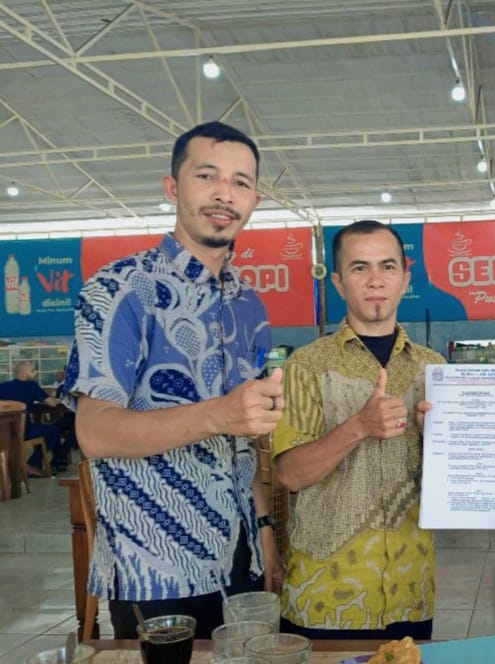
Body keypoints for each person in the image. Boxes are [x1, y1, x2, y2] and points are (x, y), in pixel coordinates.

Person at [62, 121, 284, 639]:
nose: (224, 193)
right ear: (172, 187)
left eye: (241, 182)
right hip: (155, 567)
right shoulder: (119, 290)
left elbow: (244, 442)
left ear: (254, 200)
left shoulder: (250, 306)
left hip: (240, 557)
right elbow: (95, 432)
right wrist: (217, 414)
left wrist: (264, 531)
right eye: (207, 176)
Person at [272, 219, 445, 640]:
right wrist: (358, 426)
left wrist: (444, 444)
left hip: (410, 587)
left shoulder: (434, 369)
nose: (375, 280)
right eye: (359, 267)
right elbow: (290, 475)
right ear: (338, 282)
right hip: (324, 595)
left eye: (387, 266)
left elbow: (453, 484)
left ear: (405, 279)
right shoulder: (305, 366)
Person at [0, 360, 68, 475]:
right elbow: (52, 403)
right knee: (53, 430)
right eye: (33, 371)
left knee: (43, 429)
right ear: (23, 374)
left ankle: (58, 461)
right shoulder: (31, 385)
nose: (36, 373)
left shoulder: (2, 386)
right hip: (23, 430)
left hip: (3, 432)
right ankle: (32, 463)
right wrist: (56, 399)